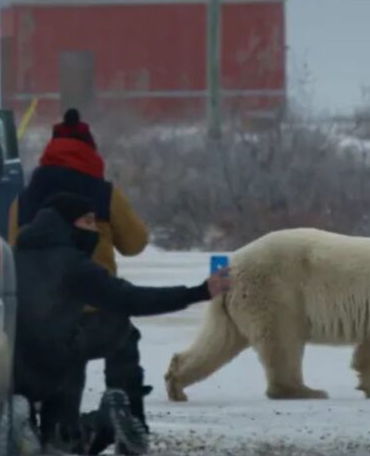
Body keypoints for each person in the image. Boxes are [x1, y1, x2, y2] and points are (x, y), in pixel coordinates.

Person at [13, 193, 230, 454]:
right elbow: (132, 299)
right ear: (67, 223)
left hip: (8, 370)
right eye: (89, 222)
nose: (94, 230)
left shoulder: (10, 258)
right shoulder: (74, 265)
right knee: (113, 325)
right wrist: (199, 292)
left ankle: (28, 429)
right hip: (56, 368)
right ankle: (104, 422)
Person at [8, 108, 157, 435]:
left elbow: (12, 249)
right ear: (91, 150)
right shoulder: (103, 193)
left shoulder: (24, 198)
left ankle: (43, 427)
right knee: (123, 338)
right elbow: (135, 243)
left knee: (61, 382)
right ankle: (128, 413)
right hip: (96, 315)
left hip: (39, 321)